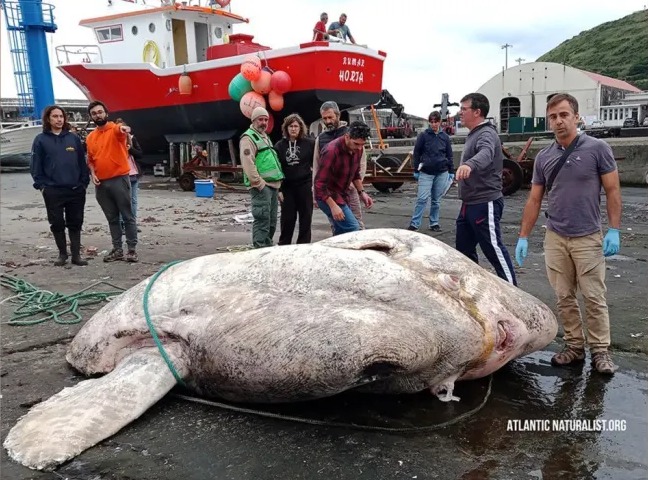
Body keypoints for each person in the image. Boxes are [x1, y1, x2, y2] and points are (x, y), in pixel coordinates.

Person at [515, 93, 621, 375]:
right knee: (564, 296)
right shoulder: (544, 157)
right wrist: (523, 236)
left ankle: (601, 351)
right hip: (556, 236)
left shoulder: (597, 149)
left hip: (588, 236)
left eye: (564, 115)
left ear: (576, 116)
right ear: (548, 121)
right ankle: (574, 346)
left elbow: (612, 190)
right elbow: (535, 199)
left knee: (594, 297)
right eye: (553, 116)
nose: (559, 121)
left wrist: (614, 230)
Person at [455, 92, 516, 285]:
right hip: (469, 203)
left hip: (484, 201)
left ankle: (514, 292)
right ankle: (471, 289)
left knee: (493, 249)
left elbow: (486, 153)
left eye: (464, 109)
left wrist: (469, 165)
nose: (460, 113)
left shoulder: (486, 134)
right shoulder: (474, 134)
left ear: (477, 112)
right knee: (463, 251)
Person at [30, 105, 90, 266]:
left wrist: (84, 182)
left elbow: (81, 163)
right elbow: (36, 165)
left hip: (75, 189)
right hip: (53, 190)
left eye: (61, 116)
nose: (59, 119)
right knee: (56, 223)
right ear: (48, 119)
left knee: (75, 222)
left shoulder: (73, 139)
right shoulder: (40, 140)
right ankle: (62, 254)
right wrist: (42, 186)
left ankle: (76, 255)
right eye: (55, 116)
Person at [85, 100, 139, 263]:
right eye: (94, 113)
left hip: (119, 179)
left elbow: (120, 130)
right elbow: (91, 159)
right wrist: (92, 174)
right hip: (101, 183)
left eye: (100, 112)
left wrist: (124, 129)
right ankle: (117, 249)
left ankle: (131, 249)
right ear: (91, 117)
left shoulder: (114, 130)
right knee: (112, 218)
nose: (97, 115)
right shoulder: (90, 137)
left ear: (106, 114)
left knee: (127, 215)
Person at [313, 101, 367, 229]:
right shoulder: (322, 140)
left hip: (350, 188)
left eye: (330, 117)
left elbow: (359, 164)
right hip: (330, 190)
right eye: (325, 118)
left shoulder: (354, 136)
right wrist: (314, 191)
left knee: (356, 222)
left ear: (338, 116)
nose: (328, 121)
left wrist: (359, 189)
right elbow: (316, 166)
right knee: (339, 223)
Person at [240, 106, 284, 248]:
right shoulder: (248, 138)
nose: (264, 122)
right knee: (262, 219)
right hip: (261, 186)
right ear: (253, 120)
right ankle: (260, 248)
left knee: (271, 220)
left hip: (272, 186)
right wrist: (259, 183)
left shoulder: (264, 137)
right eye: (260, 119)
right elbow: (248, 162)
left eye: (266, 119)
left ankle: (267, 245)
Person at [408, 110, 454, 232]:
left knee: (436, 201)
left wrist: (451, 171)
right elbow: (417, 153)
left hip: (442, 173)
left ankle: (434, 222)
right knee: (422, 198)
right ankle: (415, 223)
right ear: (429, 122)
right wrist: (416, 169)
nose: (433, 124)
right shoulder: (423, 136)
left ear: (440, 122)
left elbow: (449, 155)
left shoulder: (445, 137)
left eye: (436, 121)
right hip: (426, 172)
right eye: (431, 122)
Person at [274, 113, 315, 245]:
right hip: (287, 187)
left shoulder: (310, 144)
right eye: (291, 126)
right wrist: (278, 190)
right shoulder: (279, 146)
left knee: (306, 217)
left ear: (300, 128)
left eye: (296, 126)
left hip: (305, 185)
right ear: (286, 128)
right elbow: (276, 169)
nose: (293, 129)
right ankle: (284, 245)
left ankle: (304, 245)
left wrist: (315, 185)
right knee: (287, 219)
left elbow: (316, 164)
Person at [115, 118, 143, 231]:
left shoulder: (132, 139)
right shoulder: (114, 141)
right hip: (121, 174)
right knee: (123, 201)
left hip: (134, 174)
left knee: (133, 200)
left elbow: (140, 154)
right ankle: (122, 224)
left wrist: (130, 148)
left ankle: (132, 223)